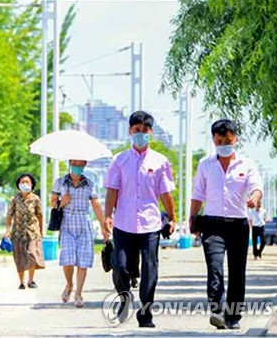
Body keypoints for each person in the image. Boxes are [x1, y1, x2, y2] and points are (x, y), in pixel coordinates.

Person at [104, 111, 176, 328]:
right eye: (136, 131)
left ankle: (145, 315)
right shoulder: (119, 160)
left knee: (149, 269)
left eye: (144, 131)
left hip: (150, 224)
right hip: (123, 223)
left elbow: (166, 193)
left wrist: (172, 218)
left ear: (150, 132)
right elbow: (111, 191)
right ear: (129, 131)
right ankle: (124, 298)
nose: (140, 135)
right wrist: (107, 216)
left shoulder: (160, 161)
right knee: (121, 267)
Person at [189, 119, 263, 330]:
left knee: (237, 271)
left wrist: (254, 198)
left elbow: (256, 186)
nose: (224, 144)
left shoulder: (246, 165)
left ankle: (233, 316)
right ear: (213, 140)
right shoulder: (205, 165)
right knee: (214, 267)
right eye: (219, 140)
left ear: (235, 139)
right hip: (212, 226)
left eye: (228, 140)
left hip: (238, 226)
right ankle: (218, 311)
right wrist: (192, 218)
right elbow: (197, 194)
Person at [51, 160, 108, 308]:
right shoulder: (60, 182)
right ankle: (69, 284)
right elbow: (53, 202)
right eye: (74, 163)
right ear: (70, 163)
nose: (77, 166)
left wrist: (103, 225)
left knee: (83, 261)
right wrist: (62, 202)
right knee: (68, 258)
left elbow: (96, 204)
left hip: (84, 221)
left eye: (80, 163)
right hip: (67, 222)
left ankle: (78, 293)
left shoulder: (89, 183)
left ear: (84, 164)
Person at [5, 173, 45, 289]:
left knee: (32, 254)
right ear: (18, 185)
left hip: (33, 232)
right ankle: (22, 281)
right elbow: (9, 216)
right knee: (19, 257)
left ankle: (31, 280)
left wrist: (41, 231)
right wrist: (7, 230)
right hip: (18, 233)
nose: (25, 184)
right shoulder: (15, 199)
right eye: (22, 182)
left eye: (27, 182)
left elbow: (40, 216)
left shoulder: (35, 199)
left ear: (32, 184)